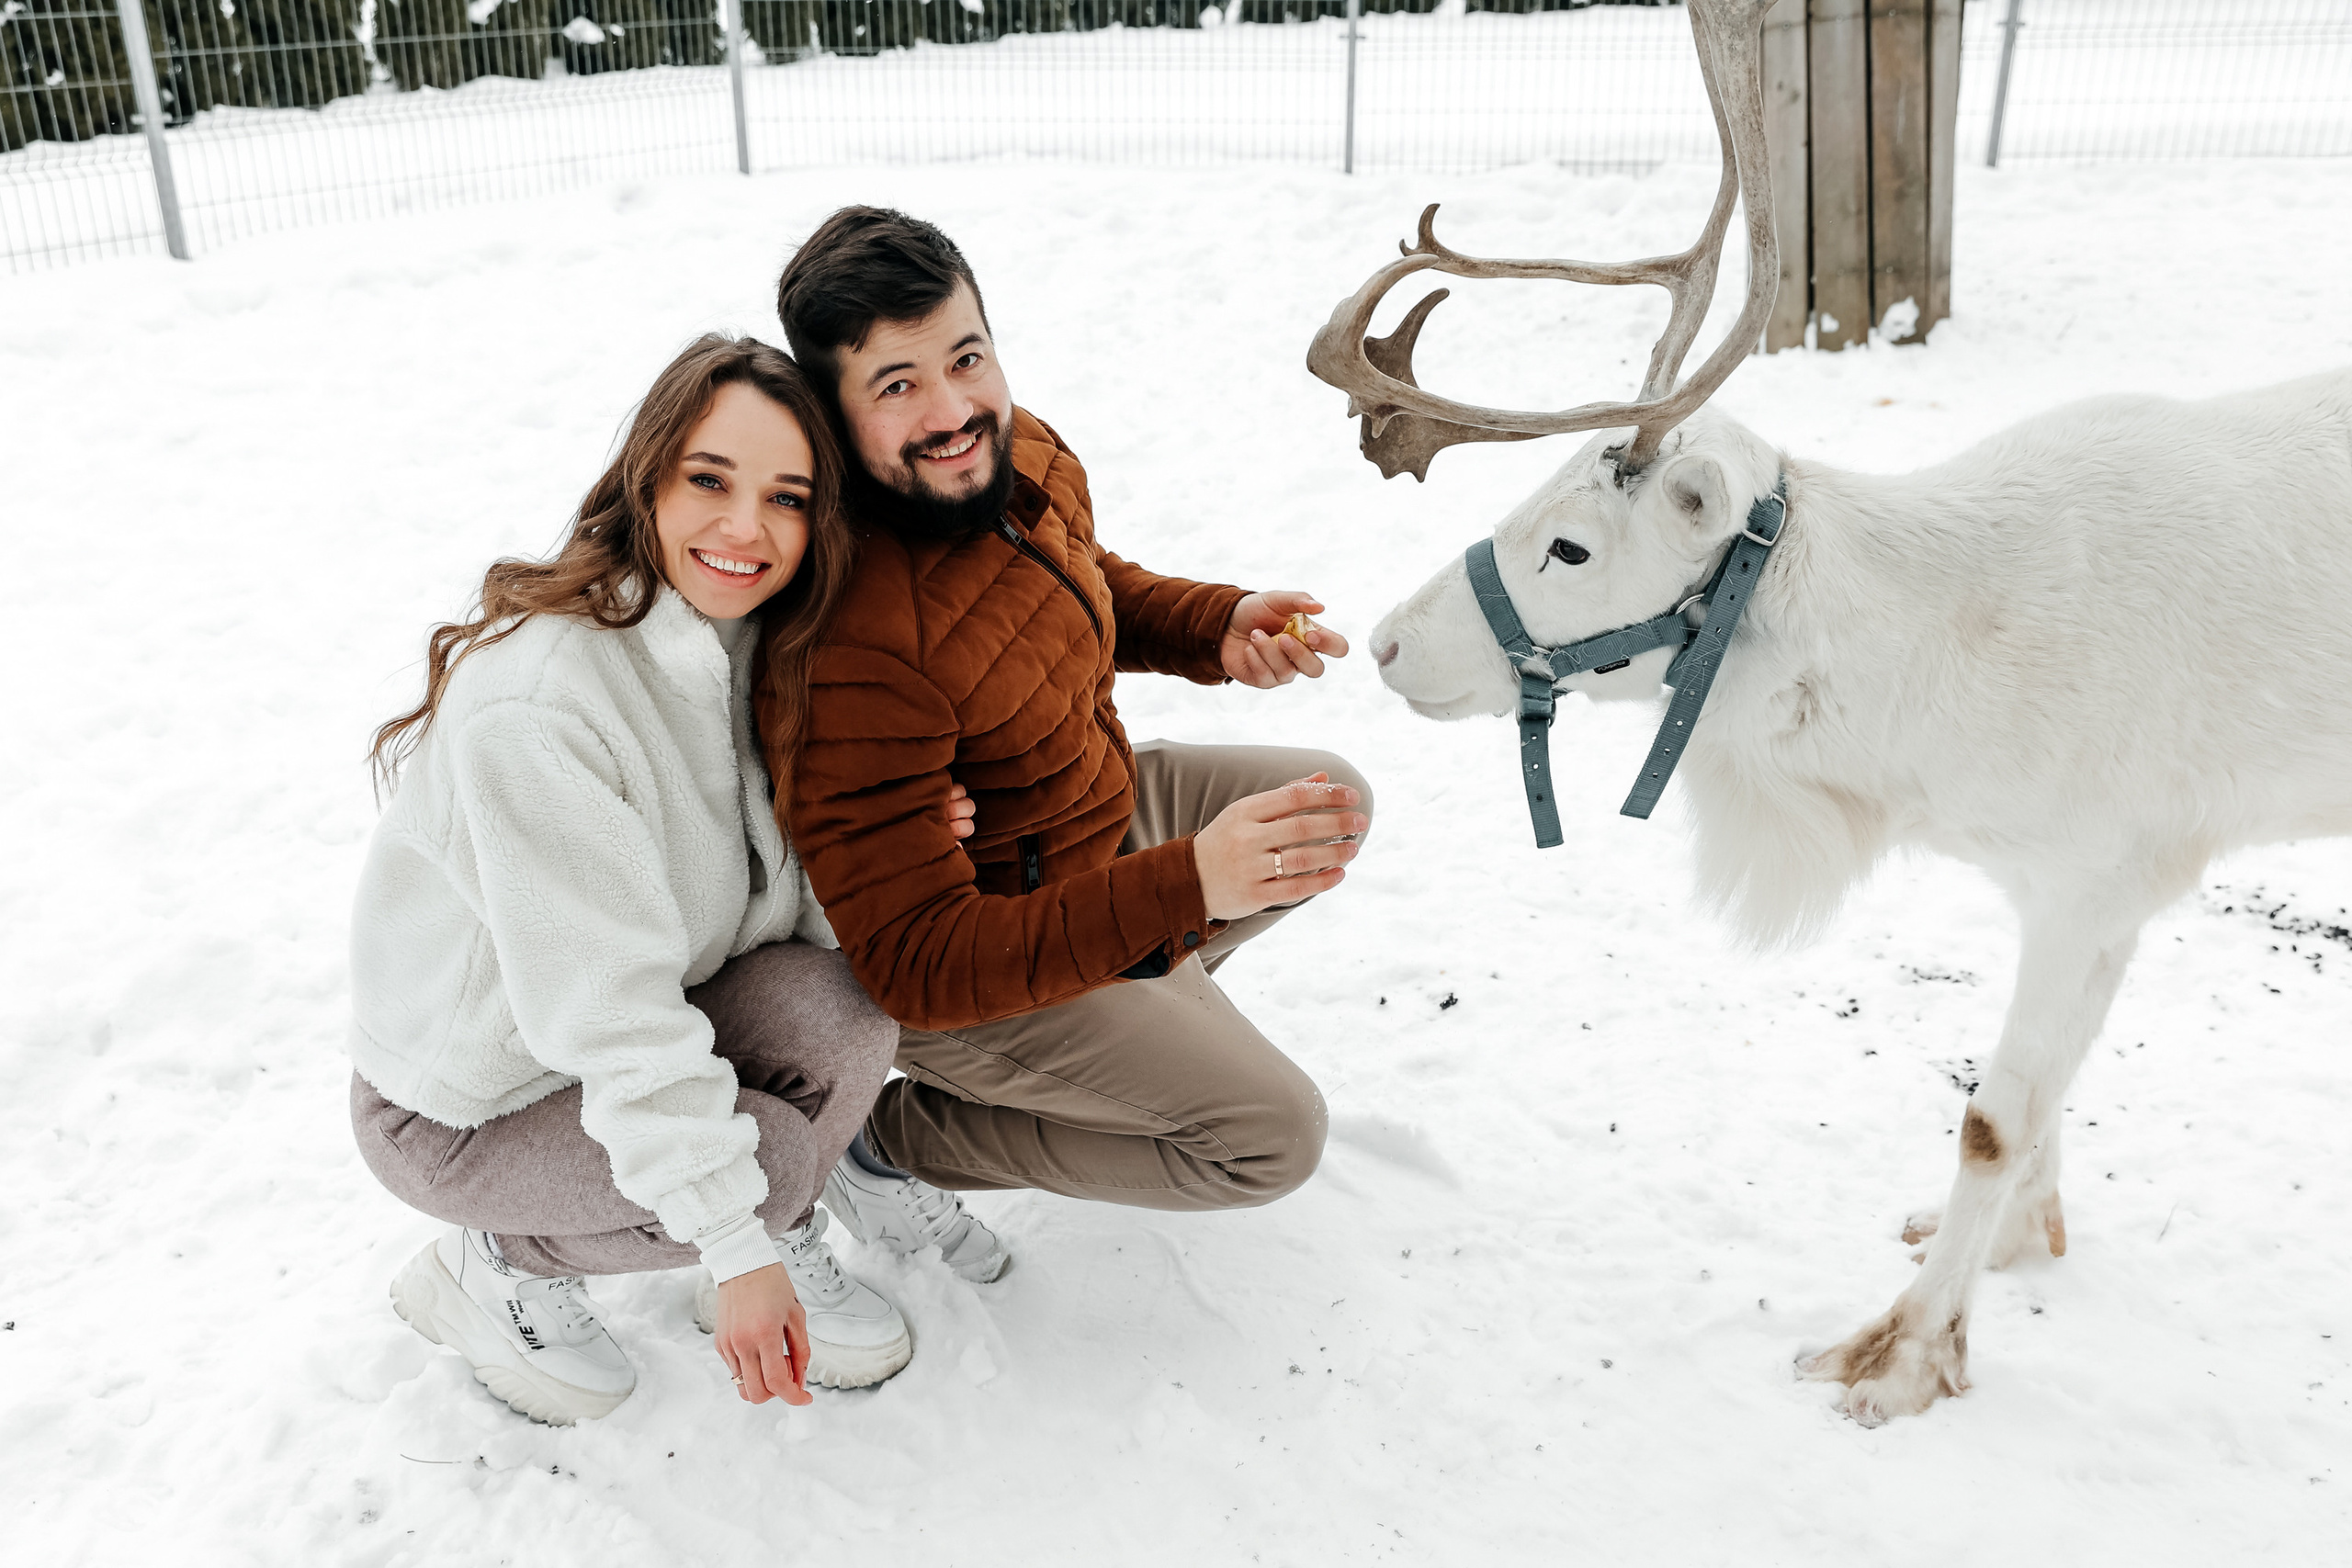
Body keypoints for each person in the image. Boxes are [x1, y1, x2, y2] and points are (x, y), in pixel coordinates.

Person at [344, 333, 997, 1426]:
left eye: (786, 498)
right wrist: (739, 1249)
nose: (747, 529)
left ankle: (716, 1209)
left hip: (613, 1040)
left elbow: (767, 920)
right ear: (645, 478)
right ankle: (499, 1265)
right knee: (773, 1166)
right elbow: (610, 1012)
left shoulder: (743, 645)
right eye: (710, 480)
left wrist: (900, 837)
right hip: (468, 1108)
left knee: (845, 1016)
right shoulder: (541, 707)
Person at [763, 208, 1374, 1255]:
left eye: (967, 357)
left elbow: (1067, 585)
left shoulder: (1019, 450)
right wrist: (1187, 886)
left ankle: (1125, 1016)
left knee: (1327, 809)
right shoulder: (853, 644)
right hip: (971, 950)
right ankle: (881, 1144)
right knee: (1268, 1137)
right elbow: (914, 963)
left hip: (1079, 814)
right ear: (830, 414)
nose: (954, 409)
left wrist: (1210, 626)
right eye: (897, 385)